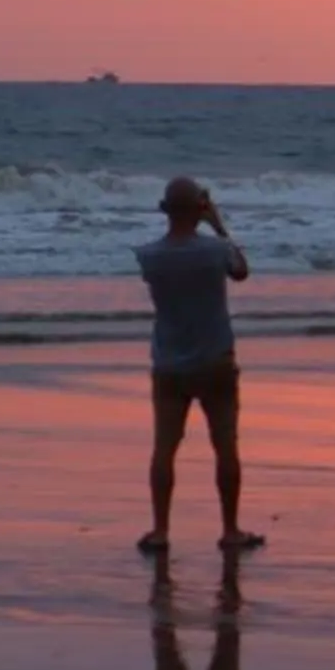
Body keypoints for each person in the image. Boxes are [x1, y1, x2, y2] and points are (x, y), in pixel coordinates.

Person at [138, 176, 257, 553]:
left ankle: (161, 530)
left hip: (170, 362)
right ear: (199, 209)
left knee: (164, 448)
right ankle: (230, 529)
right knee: (225, 446)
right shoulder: (215, 250)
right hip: (215, 358)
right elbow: (241, 271)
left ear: (165, 210)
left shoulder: (150, 256)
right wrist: (218, 225)